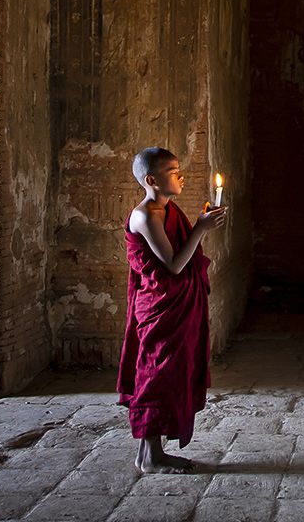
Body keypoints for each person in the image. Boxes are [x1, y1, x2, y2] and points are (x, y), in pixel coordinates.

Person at [117, 146, 227, 473]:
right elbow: (175, 265)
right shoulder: (146, 216)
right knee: (156, 374)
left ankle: (150, 453)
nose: (181, 175)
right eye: (173, 170)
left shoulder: (169, 208)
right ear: (151, 179)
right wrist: (201, 229)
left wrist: (200, 226)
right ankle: (150, 455)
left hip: (177, 305)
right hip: (160, 307)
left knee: (170, 374)